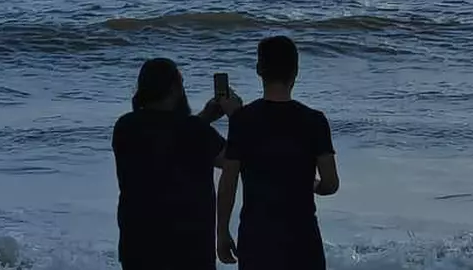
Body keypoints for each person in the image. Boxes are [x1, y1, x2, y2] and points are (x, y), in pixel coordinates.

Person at [217, 36, 339, 269]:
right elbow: (331, 183)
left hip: (257, 237)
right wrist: (313, 185)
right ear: (296, 71)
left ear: (259, 70)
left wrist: (221, 233)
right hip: (302, 237)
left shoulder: (242, 120)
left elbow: (228, 182)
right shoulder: (314, 121)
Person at [112, 57, 242, 270]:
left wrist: (203, 118)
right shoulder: (196, 132)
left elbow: (165, 138)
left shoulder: (125, 127)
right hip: (190, 247)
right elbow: (233, 159)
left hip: (138, 244)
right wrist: (237, 118)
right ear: (174, 88)